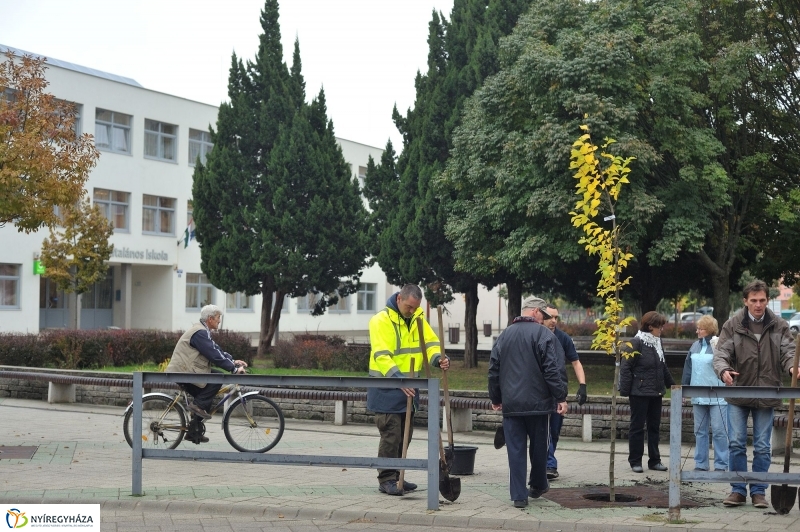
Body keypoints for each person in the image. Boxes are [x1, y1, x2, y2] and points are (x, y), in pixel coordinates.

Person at [713, 279, 796, 509]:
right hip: (739, 392)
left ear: (767, 300)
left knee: (762, 445)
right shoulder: (733, 324)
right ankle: (737, 490)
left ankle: (759, 491)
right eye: (753, 301)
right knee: (737, 443)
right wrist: (724, 371)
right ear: (745, 301)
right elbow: (721, 354)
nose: (758, 305)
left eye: (762, 300)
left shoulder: (779, 325)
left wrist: (792, 366)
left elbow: (788, 351)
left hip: (767, 392)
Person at [367, 284, 450, 496]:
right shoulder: (381, 320)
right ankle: (386, 479)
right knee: (391, 435)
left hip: (410, 385)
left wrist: (438, 358)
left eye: (415, 307)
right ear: (399, 299)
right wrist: (400, 379)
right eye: (409, 307)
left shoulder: (418, 318)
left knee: (406, 435)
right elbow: (382, 355)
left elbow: (430, 343)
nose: (412, 311)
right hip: (388, 386)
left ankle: (398, 476)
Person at [489, 296, 568, 508]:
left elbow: (493, 370)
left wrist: (496, 398)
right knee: (540, 447)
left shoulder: (504, 335)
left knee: (515, 450)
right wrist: (560, 396)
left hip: (512, 405)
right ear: (534, 312)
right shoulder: (543, 335)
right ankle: (537, 484)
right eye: (543, 315)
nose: (545, 319)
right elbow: (552, 370)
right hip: (538, 405)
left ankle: (518, 496)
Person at [166, 304, 247, 443]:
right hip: (183, 371)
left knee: (206, 399)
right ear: (210, 319)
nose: (219, 321)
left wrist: (233, 361)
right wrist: (233, 370)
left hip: (189, 370)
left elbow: (216, 350)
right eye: (217, 318)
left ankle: (193, 431)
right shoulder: (199, 332)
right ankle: (196, 409)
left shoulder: (203, 331)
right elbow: (213, 355)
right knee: (215, 380)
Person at [619, 311, 674, 473]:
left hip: (656, 392)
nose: (662, 329)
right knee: (637, 427)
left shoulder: (657, 342)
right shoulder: (636, 343)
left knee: (654, 427)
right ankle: (635, 461)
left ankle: (654, 460)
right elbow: (626, 367)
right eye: (660, 326)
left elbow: (662, 366)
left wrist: (672, 385)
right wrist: (626, 390)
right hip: (639, 393)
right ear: (650, 326)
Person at [541, 304, 587, 480]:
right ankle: (549, 464)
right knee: (544, 430)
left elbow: (576, 362)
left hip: (558, 392)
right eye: (550, 317)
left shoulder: (563, 338)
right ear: (541, 317)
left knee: (554, 430)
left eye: (556, 317)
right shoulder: (535, 336)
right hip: (539, 392)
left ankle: (548, 462)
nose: (553, 321)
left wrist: (582, 385)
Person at [681, 315, 729, 472]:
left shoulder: (718, 344)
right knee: (699, 431)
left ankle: (721, 464)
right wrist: (684, 389)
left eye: (700, 329)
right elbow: (688, 368)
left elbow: (726, 364)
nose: (697, 331)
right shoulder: (694, 346)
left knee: (719, 431)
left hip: (718, 395)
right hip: (698, 394)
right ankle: (701, 464)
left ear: (708, 330)